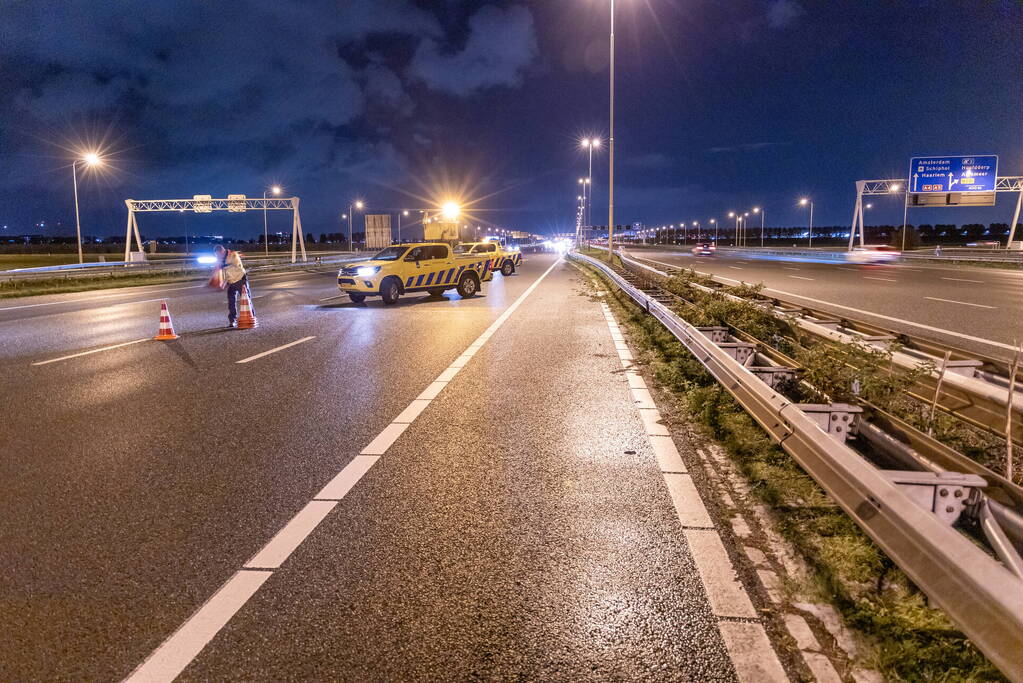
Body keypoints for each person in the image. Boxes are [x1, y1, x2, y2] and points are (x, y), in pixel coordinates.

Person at [215, 245, 247, 327]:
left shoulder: (233, 254)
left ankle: (250, 317)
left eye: (218, 255)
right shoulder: (221, 259)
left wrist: (223, 265)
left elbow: (236, 265)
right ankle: (232, 320)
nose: (218, 257)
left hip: (240, 279)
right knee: (231, 302)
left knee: (246, 300)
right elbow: (223, 273)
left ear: (222, 251)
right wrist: (223, 283)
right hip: (230, 282)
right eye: (217, 255)